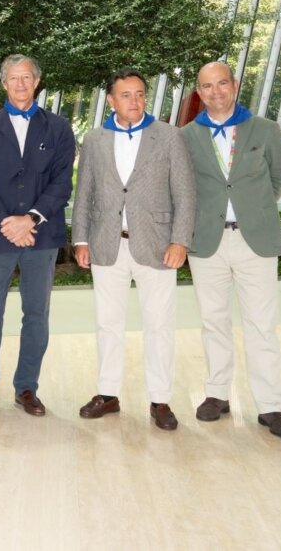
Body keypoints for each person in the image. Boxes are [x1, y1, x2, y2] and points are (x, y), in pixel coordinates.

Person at [71, 69, 195, 430]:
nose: (135, 101)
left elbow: (185, 193)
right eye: (126, 95)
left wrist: (180, 241)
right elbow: (85, 193)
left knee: (159, 325)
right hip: (106, 244)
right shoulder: (94, 139)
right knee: (107, 323)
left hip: (158, 247)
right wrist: (81, 239)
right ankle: (107, 394)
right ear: (111, 100)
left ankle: (160, 400)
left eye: (140, 94)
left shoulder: (169, 136)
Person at [181, 61, 281, 440]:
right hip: (207, 242)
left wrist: (253, 209)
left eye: (221, 84)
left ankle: (270, 406)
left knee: (261, 325)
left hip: (255, 240)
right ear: (199, 92)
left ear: (235, 85)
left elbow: (278, 177)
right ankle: (217, 394)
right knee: (213, 320)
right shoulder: (187, 136)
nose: (215, 92)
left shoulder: (264, 130)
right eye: (207, 86)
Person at [0, 54, 75, 417]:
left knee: (36, 313)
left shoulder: (58, 128)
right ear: (3, 82)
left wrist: (31, 219)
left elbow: (61, 182)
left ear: (37, 82)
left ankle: (27, 388)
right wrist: (7, 221)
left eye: (26, 77)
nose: (20, 83)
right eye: (13, 77)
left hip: (42, 236)